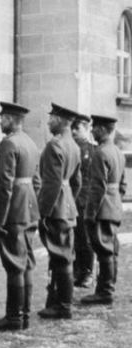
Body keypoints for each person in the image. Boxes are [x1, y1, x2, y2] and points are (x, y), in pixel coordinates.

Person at [0, 102, 41, 331]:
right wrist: (30, 202)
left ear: (10, 119)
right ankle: (25, 313)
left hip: (14, 211)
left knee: (14, 264)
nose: (0, 122)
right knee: (26, 261)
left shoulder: (9, 144)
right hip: (29, 207)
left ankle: (14, 317)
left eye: (2, 118)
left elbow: (4, 185)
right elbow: (37, 181)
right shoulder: (30, 142)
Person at [37, 103, 82, 320]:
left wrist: (43, 212)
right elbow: (77, 182)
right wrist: (69, 200)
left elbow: (51, 184)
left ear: (61, 121)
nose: (48, 122)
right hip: (67, 207)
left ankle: (63, 306)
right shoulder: (73, 145)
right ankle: (57, 301)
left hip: (56, 210)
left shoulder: (54, 146)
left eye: (51, 118)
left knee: (61, 257)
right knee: (62, 256)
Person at [81, 114, 126, 305]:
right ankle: (107, 287)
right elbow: (122, 185)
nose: (91, 131)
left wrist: (90, 213)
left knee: (104, 250)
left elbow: (97, 187)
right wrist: (115, 201)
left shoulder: (100, 153)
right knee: (111, 249)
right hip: (113, 206)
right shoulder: (117, 151)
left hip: (102, 209)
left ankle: (105, 291)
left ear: (101, 130)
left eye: (94, 128)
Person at [72, 114, 96, 289]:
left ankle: (87, 272)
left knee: (85, 238)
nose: (73, 131)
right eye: (72, 128)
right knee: (74, 238)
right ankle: (76, 271)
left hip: (86, 201)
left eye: (77, 128)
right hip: (72, 200)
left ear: (87, 129)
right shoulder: (71, 148)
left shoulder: (93, 151)